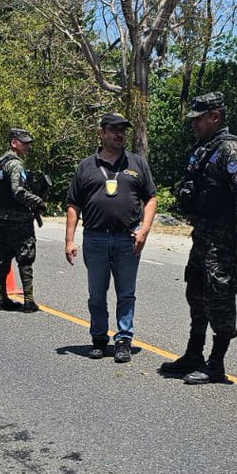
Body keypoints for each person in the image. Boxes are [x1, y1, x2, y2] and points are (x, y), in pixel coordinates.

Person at [159, 92, 237, 386]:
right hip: (202, 238)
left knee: (220, 300)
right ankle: (194, 354)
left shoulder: (230, 150)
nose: (194, 124)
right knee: (197, 295)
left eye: (199, 119)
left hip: (222, 243)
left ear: (215, 117)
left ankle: (216, 364)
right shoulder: (205, 149)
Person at [65, 112, 157, 363]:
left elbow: (151, 198)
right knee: (97, 294)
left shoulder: (137, 163)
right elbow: (73, 205)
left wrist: (144, 230)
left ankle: (124, 340)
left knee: (126, 293)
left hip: (128, 238)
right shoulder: (86, 166)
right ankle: (98, 338)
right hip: (95, 239)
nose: (119, 134)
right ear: (102, 132)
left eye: (123, 130)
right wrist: (69, 240)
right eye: (114, 129)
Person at [0, 128, 45, 313]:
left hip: (3, 218)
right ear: (14, 143)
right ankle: (29, 301)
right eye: (24, 143)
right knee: (25, 258)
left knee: (3, 258)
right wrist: (38, 201)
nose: (28, 146)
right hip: (20, 220)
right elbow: (18, 191)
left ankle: (1, 297)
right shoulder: (16, 165)